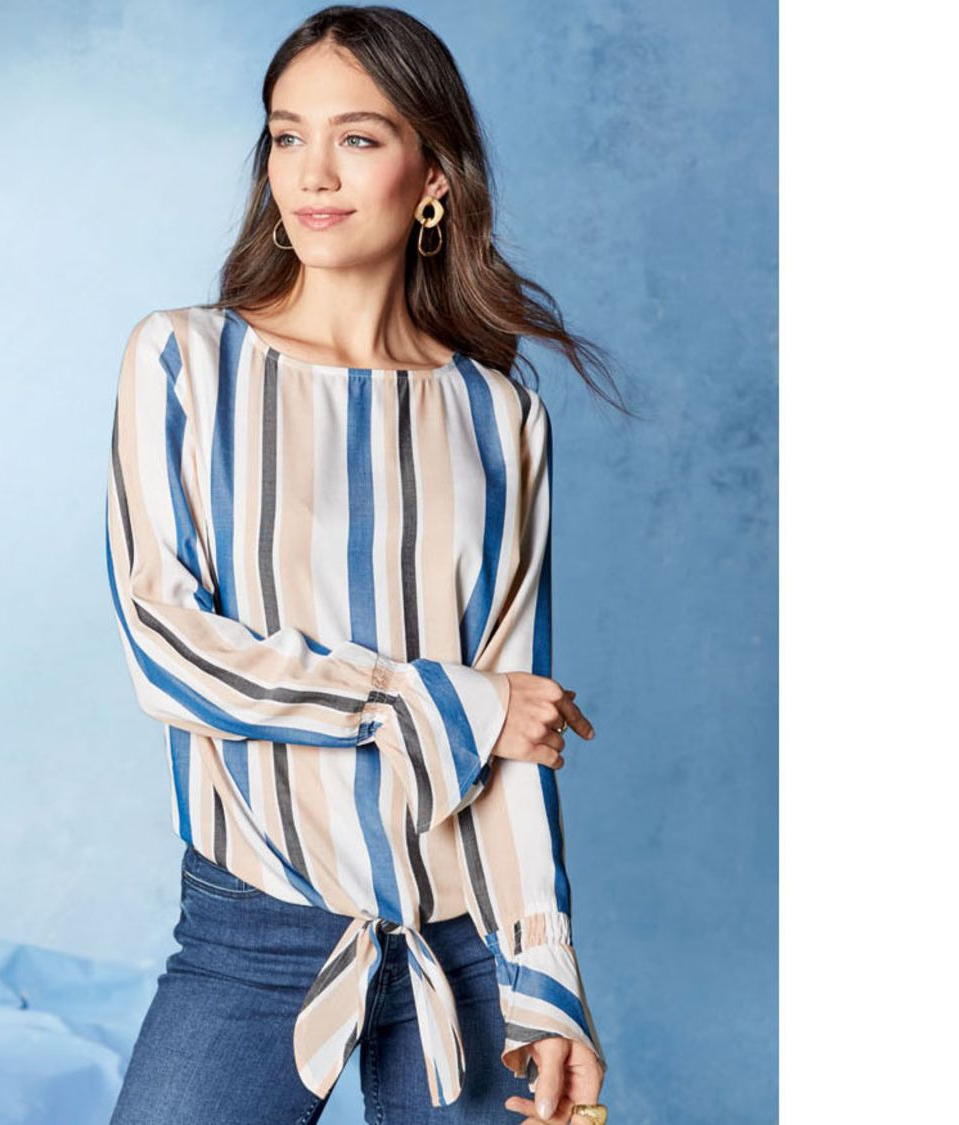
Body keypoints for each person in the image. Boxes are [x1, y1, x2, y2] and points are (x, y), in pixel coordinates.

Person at [104, 7, 631, 1123]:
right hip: (255, 931)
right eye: (287, 135)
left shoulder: (499, 417)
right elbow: (170, 652)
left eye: (357, 137)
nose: (313, 173)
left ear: (433, 176)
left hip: (470, 946)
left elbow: (520, 742)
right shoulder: (185, 362)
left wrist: (549, 984)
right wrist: (443, 702)